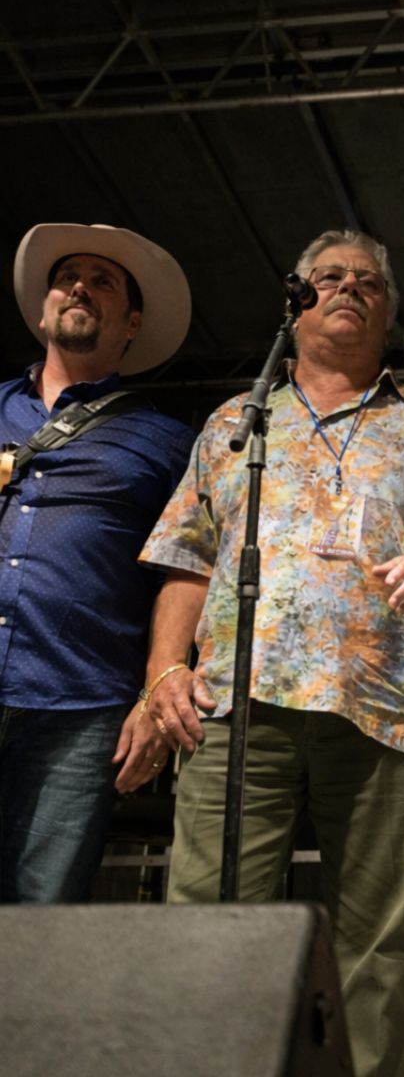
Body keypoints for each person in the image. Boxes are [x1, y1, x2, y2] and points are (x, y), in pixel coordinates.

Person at [134, 228, 404, 1077]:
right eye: (328, 278)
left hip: (391, 710)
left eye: (368, 281)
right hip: (236, 704)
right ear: (296, 305)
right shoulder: (237, 422)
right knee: (209, 930)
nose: (348, 288)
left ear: (389, 311)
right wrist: (163, 673)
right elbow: (187, 558)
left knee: (377, 950)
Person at [0, 223, 194, 903]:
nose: (79, 287)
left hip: (81, 707)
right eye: (67, 278)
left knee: (43, 915)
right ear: (45, 308)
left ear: (132, 322)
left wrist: (153, 697)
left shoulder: (168, 441)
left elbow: (186, 570)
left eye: (102, 281)